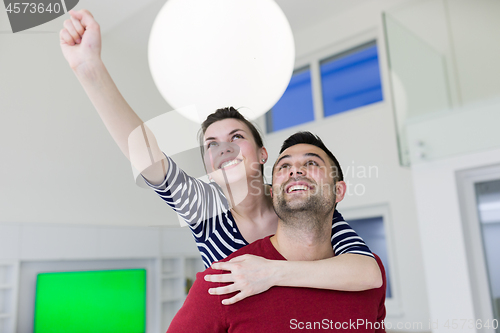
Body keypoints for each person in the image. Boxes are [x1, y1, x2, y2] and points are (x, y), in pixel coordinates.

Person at [59, 9, 382, 305]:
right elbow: (145, 152)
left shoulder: (294, 202)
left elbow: (367, 273)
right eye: (211, 144)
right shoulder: (203, 207)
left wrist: (272, 272)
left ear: (262, 154)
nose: (223, 149)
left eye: (236, 137)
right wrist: (88, 66)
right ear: (207, 166)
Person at [167, 132, 387, 332]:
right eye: (283, 166)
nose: (296, 170)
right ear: (272, 193)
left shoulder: (368, 277)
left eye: (311, 163)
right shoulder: (226, 280)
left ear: (338, 191)